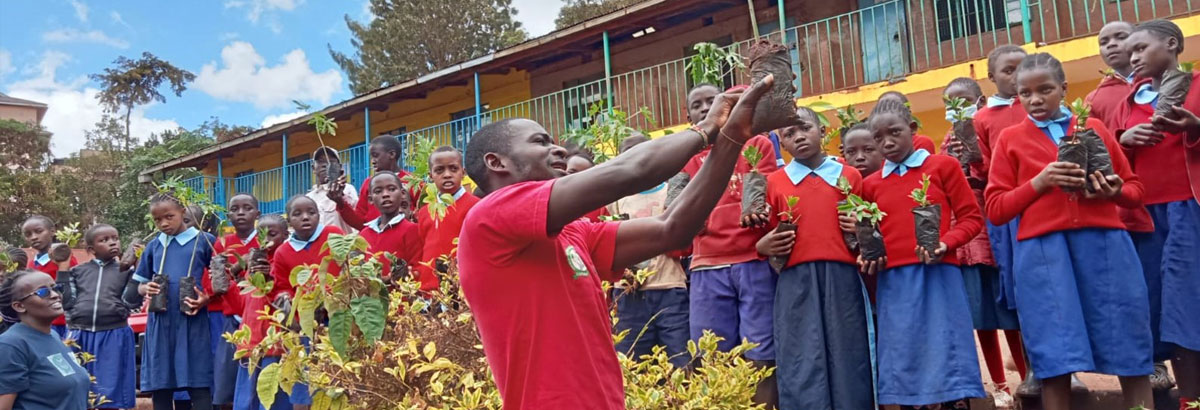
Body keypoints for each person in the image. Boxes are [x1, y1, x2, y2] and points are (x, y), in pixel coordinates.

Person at [457, 75, 774, 409]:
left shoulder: (573, 233)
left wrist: (731, 138)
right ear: (496, 162)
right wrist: (708, 127)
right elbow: (632, 171)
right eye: (540, 142)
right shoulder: (489, 218)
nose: (559, 148)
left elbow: (672, 227)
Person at [985, 52, 1153, 410]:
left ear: (1063, 88)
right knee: (1053, 350)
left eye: (1045, 89)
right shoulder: (1011, 140)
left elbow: (1136, 191)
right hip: (1044, 256)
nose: (1035, 99)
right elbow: (996, 208)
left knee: (1127, 337)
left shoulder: (1093, 129)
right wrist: (1040, 182)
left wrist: (1114, 191)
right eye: (1024, 93)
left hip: (1105, 248)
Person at [860, 99, 985, 408]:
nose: (887, 142)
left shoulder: (943, 166)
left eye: (895, 132)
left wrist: (947, 243)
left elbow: (971, 219)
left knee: (948, 347)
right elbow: (869, 236)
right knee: (904, 351)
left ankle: (957, 403)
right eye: (878, 138)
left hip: (940, 274)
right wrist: (864, 252)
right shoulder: (870, 185)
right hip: (895, 281)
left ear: (912, 129)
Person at [752, 107, 872, 410]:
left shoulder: (849, 176)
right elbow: (764, 233)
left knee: (849, 354)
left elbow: (867, 232)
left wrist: (862, 231)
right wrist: (761, 246)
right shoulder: (774, 183)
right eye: (789, 134)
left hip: (843, 278)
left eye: (804, 128)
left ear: (822, 131)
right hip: (795, 280)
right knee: (802, 356)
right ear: (782, 143)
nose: (799, 137)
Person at [683, 84, 781, 407]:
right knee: (711, 354)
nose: (705, 107)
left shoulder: (758, 145)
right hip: (707, 265)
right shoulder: (688, 155)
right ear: (689, 116)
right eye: (697, 105)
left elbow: (768, 194)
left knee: (761, 353)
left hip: (754, 259)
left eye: (713, 101)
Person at [1124, 19, 1200, 405]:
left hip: (1190, 211)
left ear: (1172, 44)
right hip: (1145, 218)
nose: (1133, 56)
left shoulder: (1198, 86)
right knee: (1160, 308)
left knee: (1188, 305)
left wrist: (1196, 127)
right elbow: (1111, 158)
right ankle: (1189, 399)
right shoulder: (1130, 101)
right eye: (1130, 51)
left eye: (1141, 48)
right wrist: (1124, 140)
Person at [941, 76, 1028, 399]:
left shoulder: (989, 130)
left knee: (1011, 313)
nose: (956, 108)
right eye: (949, 103)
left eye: (963, 100)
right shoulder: (948, 143)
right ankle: (1000, 386)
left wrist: (976, 157)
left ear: (980, 101)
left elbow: (998, 172)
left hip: (997, 231)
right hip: (968, 241)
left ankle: (1027, 376)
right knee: (982, 317)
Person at [606, 134, 691, 369]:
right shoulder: (616, 198)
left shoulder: (672, 191)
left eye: (642, 151)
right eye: (628, 154)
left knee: (680, 361)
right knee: (631, 363)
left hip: (670, 288)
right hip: (628, 294)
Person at [133, 192, 217, 410]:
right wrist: (145, 288)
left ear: (183, 212)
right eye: (157, 220)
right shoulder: (154, 246)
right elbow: (136, 286)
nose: (163, 223)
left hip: (192, 320)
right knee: (161, 384)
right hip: (161, 323)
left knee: (198, 383)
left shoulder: (205, 241)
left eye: (169, 216)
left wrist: (206, 299)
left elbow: (220, 282)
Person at [57, 224, 140, 410]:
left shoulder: (126, 271)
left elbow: (133, 301)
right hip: (80, 334)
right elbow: (66, 301)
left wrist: (138, 267)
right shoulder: (78, 271)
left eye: (115, 238)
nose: (112, 243)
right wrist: (62, 268)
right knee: (78, 383)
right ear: (91, 250)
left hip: (114, 333)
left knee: (111, 386)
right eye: (104, 240)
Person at [0, 270, 91, 410]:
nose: (55, 295)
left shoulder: (53, 336)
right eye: (43, 292)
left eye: (55, 288)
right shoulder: (10, 345)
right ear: (19, 306)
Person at [230, 213, 292, 410]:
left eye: (272, 234)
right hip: (251, 340)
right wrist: (228, 282)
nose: (266, 240)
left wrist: (268, 280)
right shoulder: (253, 266)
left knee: (273, 399)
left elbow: (282, 298)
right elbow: (242, 304)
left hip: (274, 342)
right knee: (247, 400)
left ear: (285, 235)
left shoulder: (284, 262)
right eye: (261, 235)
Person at [210, 193, 262, 407]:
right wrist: (239, 266)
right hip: (232, 320)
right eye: (235, 209)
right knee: (226, 379)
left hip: (259, 319)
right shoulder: (222, 244)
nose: (241, 213)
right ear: (228, 214)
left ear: (257, 214)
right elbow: (217, 281)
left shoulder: (266, 240)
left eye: (247, 208)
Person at [415, 146, 480, 284]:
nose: (447, 175)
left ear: (463, 172)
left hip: (461, 287)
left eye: (453, 169)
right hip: (429, 289)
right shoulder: (424, 212)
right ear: (431, 176)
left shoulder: (476, 207)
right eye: (439, 170)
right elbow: (423, 247)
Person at [331, 136, 414, 231]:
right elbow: (360, 222)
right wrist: (341, 203)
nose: (372, 161)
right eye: (378, 191)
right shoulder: (368, 184)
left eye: (376, 155)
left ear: (392, 154)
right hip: (375, 240)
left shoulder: (412, 181)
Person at [359, 172, 424, 288]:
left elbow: (418, 269)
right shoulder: (364, 235)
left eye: (391, 189)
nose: (385, 195)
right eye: (378, 191)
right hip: (371, 302)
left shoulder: (411, 230)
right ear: (370, 199)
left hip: (401, 302)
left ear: (402, 193)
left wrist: (394, 278)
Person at [22, 215, 77, 337]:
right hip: (41, 321)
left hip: (63, 322)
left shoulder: (65, 260)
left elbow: (72, 289)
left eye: (39, 231)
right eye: (28, 234)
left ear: (52, 231)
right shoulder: (31, 263)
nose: (34, 237)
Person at [307, 147, 360, 234]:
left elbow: (356, 217)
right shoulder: (309, 198)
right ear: (313, 168)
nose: (326, 165)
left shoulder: (348, 189)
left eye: (331, 161)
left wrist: (341, 197)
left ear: (339, 167)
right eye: (320, 161)